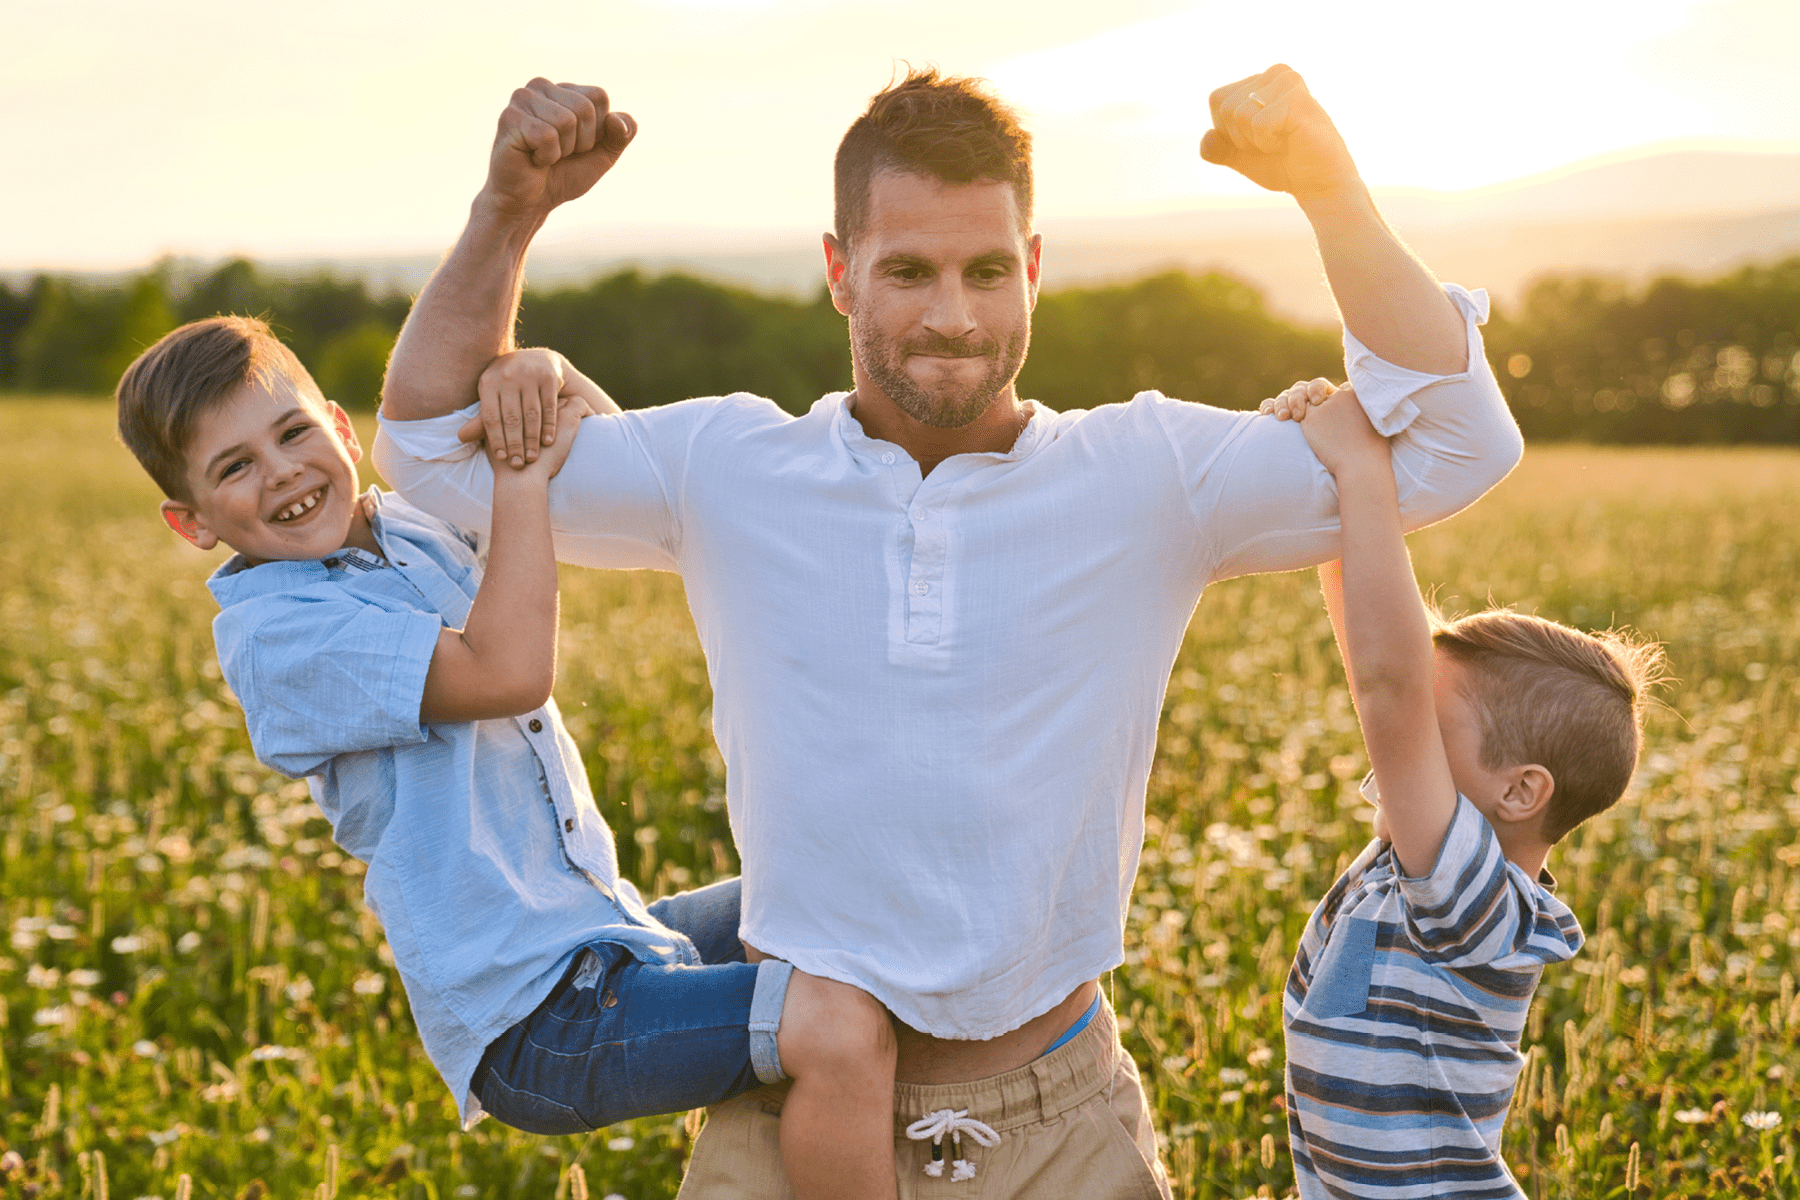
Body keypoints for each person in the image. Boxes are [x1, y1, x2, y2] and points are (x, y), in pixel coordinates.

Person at [374, 66, 1524, 1198]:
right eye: (908, 271)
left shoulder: (1152, 473)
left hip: (1060, 1132)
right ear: (839, 272)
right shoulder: (725, 467)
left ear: (1032, 271)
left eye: (986, 271)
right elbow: (428, 455)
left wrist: (1327, 189)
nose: (953, 316)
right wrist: (508, 213)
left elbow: (1460, 442)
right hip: (788, 1122)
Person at [113, 319, 902, 1200]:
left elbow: (622, 480)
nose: (284, 472)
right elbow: (509, 671)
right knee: (837, 1028)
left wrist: (547, 378)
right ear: (191, 525)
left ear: (339, 427)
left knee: (834, 884)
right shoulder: (277, 638)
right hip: (537, 1023)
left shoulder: (409, 529)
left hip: (613, 934)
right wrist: (517, 475)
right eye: (234, 467)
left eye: (291, 432)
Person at [1259, 379, 1663, 1198]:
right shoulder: (1429, 866)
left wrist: (1364, 466)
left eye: (1426, 728)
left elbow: (1386, 687)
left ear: (1520, 792)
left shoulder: (1476, 903)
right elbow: (1372, 659)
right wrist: (1337, 483)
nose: (1393, 738)